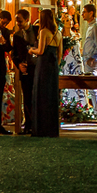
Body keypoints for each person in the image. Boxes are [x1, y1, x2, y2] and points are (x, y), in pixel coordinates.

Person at [28, 8, 62, 138]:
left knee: (41, 95)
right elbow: (59, 54)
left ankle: (41, 129)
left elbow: (41, 51)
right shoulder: (58, 33)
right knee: (51, 96)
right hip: (53, 66)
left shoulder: (43, 32)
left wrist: (32, 51)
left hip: (43, 65)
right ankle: (51, 129)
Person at [10, 9, 37, 134]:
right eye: (17, 21)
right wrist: (18, 64)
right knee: (26, 98)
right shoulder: (17, 35)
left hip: (36, 68)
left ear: (27, 20)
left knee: (36, 97)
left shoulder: (37, 31)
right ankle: (28, 124)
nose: (18, 23)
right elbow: (14, 54)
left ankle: (37, 123)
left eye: (20, 21)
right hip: (24, 69)